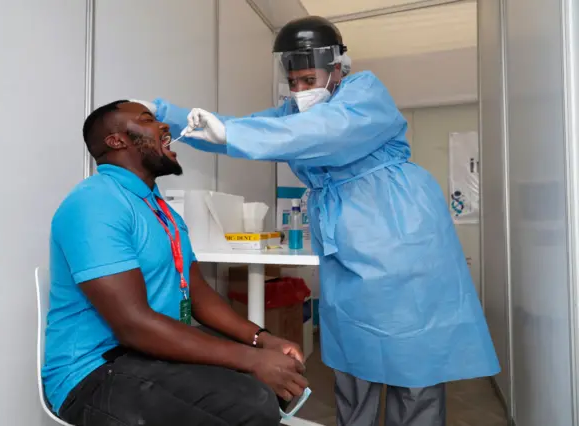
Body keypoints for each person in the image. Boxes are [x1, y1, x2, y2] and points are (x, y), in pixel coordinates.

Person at [140, 15, 501, 426]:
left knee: (411, 361)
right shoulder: (293, 112)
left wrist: (234, 134)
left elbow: (324, 132)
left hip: (400, 232)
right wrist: (166, 113)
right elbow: (244, 129)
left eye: (308, 79)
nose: (300, 90)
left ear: (337, 67)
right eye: (293, 82)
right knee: (353, 354)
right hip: (345, 240)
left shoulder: (364, 94)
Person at [43, 100, 309, 426]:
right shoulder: (95, 203)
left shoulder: (161, 210)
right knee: (252, 401)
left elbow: (197, 292)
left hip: (150, 355)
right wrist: (251, 359)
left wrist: (262, 339)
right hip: (93, 373)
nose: (164, 126)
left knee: (269, 383)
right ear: (116, 141)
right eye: (147, 120)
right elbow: (133, 324)